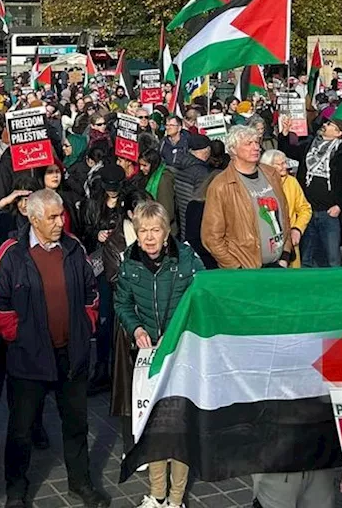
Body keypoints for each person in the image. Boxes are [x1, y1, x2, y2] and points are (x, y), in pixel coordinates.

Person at [0, 189, 109, 508]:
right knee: (21, 428)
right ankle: (16, 489)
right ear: (33, 218)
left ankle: (81, 482)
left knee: (77, 424)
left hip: (72, 353)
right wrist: (21, 334)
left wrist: (86, 323)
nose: (59, 221)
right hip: (29, 357)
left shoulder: (74, 247)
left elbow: (91, 292)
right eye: (52, 217)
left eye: (61, 214)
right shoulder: (11, 253)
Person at [114, 201, 202, 508]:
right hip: (149, 356)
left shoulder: (188, 260)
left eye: (155, 230)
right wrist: (136, 328)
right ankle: (157, 495)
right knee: (152, 424)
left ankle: (176, 499)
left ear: (166, 233)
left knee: (178, 427)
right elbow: (121, 303)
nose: (149, 237)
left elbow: (200, 301)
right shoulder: (129, 263)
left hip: (181, 353)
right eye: (143, 231)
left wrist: (178, 331)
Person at [203, 125, 292, 269]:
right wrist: (236, 268)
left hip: (279, 264)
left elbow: (284, 213)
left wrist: (285, 255)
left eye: (257, 142)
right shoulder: (222, 185)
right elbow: (211, 237)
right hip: (247, 270)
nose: (256, 147)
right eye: (248, 143)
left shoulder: (271, 174)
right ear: (233, 150)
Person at [289, 118, 342, 267]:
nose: (324, 126)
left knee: (332, 257)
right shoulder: (309, 147)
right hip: (308, 211)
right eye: (325, 123)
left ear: (338, 133)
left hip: (329, 213)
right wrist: (285, 133)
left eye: (329, 125)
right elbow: (290, 151)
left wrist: (339, 206)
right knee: (306, 255)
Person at [169, 133, 212, 238]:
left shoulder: (181, 165)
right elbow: (201, 203)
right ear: (207, 150)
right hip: (196, 227)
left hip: (183, 222)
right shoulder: (201, 172)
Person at [138, 147, 176, 226]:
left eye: (145, 165)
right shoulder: (147, 176)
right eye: (140, 165)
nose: (141, 168)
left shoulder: (164, 180)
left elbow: (167, 211)